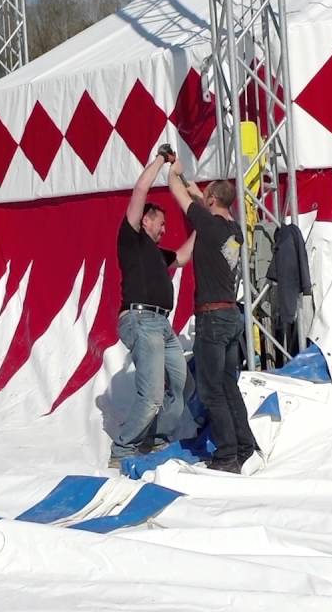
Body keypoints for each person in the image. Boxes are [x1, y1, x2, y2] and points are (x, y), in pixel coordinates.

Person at [167, 159, 258, 474]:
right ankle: (245, 447)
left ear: (212, 201)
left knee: (211, 390)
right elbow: (198, 196)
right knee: (228, 385)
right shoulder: (234, 231)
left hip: (212, 317)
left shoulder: (208, 225)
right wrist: (194, 187)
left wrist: (173, 170)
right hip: (231, 315)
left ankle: (227, 454)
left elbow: (178, 192)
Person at [110, 152, 195, 465]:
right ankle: (122, 449)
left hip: (161, 324)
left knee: (184, 385)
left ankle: (156, 438)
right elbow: (140, 189)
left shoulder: (158, 254)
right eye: (161, 223)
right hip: (140, 319)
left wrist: (203, 224)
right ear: (145, 220)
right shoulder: (130, 238)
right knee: (152, 396)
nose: (164, 230)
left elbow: (182, 257)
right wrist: (161, 159)